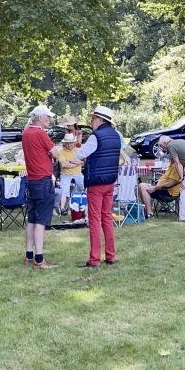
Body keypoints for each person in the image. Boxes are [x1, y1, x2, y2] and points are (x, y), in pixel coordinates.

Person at [62, 105, 122, 268]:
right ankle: (110, 255)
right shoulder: (116, 136)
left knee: (94, 220)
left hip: (96, 182)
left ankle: (94, 258)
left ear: (100, 120)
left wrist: (70, 158)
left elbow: (82, 153)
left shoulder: (96, 136)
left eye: (93, 119)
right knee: (107, 218)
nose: (91, 122)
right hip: (110, 181)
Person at [20, 105, 58, 269]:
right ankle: (39, 258)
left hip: (32, 179)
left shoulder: (26, 133)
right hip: (43, 180)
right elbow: (56, 153)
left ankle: (29, 254)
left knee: (32, 218)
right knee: (41, 221)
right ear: (40, 118)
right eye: (47, 117)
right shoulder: (40, 133)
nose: (49, 120)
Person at [54, 132, 84, 202]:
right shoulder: (61, 152)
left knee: (85, 187)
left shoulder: (78, 150)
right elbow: (63, 165)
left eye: (71, 143)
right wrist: (76, 163)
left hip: (78, 174)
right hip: (65, 175)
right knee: (64, 191)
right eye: (67, 143)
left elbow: (82, 162)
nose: (69, 144)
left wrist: (69, 162)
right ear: (64, 143)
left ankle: (81, 204)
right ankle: (63, 208)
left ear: (74, 142)